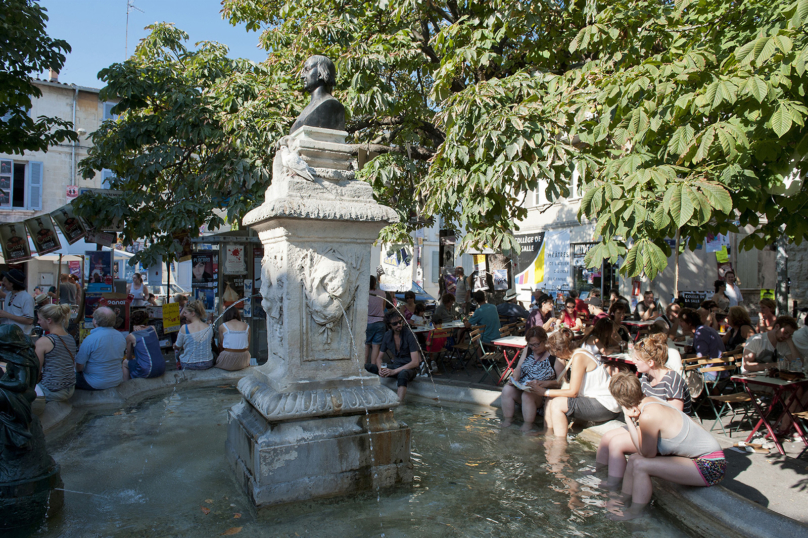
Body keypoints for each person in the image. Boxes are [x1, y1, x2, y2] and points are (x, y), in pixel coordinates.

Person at [606, 373, 725, 521]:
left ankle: (635, 512)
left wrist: (628, 419)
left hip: (711, 465)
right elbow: (643, 451)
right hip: (702, 459)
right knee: (634, 459)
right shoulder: (651, 401)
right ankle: (623, 500)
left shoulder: (648, 416)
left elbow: (646, 454)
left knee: (640, 464)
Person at [596, 334, 693, 489]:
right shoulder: (646, 378)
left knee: (617, 444)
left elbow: (675, 417)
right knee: (607, 438)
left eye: (637, 359)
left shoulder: (672, 380)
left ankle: (613, 485)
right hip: (647, 425)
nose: (633, 361)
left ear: (651, 362)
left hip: (664, 436)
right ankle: (599, 474)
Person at [536, 329, 622, 437]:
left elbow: (573, 392)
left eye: (555, 353)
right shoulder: (578, 353)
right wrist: (546, 387)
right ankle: (547, 433)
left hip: (606, 405)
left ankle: (559, 445)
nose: (556, 357)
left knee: (557, 404)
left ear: (561, 350)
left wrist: (545, 392)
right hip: (595, 401)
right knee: (551, 399)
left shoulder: (579, 357)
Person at [501, 327, 566, 432]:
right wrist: (515, 376)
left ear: (545, 340)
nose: (534, 348)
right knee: (507, 389)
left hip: (541, 394)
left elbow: (562, 382)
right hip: (524, 387)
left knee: (528, 395)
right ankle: (508, 420)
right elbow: (518, 367)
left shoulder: (554, 356)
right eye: (531, 345)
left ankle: (528, 425)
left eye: (537, 344)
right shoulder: (528, 350)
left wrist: (543, 383)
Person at [364, 311, 421, 401]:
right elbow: (379, 358)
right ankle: (367, 397)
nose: (399, 325)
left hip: (409, 368)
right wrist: (380, 369)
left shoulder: (409, 335)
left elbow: (415, 362)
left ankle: (399, 404)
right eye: (395, 323)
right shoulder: (387, 335)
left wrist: (394, 371)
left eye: (400, 322)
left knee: (402, 374)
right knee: (367, 367)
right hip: (396, 366)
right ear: (390, 325)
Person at [74, 307, 126, 391]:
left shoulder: (91, 339)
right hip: (117, 380)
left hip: (94, 383)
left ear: (95, 321)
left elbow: (79, 367)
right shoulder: (121, 336)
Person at [33, 304, 76, 402]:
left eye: (40, 319)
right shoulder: (70, 338)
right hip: (70, 389)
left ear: (49, 320)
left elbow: (36, 370)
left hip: (52, 391)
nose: (38, 322)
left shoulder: (43, 342)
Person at [679, 308, 725, 380]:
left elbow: (701, 357)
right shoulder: (705, 329)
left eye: (682, 321)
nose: (680, 324)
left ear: (690, 322)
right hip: (720, 370)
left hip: (710, 372)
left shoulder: (701, 333)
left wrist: (683, 356)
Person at [123, 309, 166, 379]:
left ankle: (127, 386)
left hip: (147, 370)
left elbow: (129, 357)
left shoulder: (131, 336)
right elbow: (147, 336)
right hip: (162, 367)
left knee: (125, 363)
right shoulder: (153, 328)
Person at [173, 300, 214, 370]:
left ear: (193, 313)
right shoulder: (209, 327)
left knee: (176, 351)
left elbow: (178, 346)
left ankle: (178, 368)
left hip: (188, 364)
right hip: (207, 363)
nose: (184, 315)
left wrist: (174, 345)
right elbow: (210, 342)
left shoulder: (184, 328)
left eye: (185, 313)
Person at [0, 269, 34, 336]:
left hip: (20, 336)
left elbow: (29, 320)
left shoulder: (26, 298)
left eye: (5, 282)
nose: (3, 284)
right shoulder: (9, 295)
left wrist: (7, 315)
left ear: (11, 284)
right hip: (7, 334)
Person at [366, 275, 387, 366]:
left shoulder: (364, 294)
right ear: (375, 283)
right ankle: (373, 365)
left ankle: (364, 365)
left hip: (367, 321)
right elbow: (383, 307)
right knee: (376, 346)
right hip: (379, 322)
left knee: (366, 344)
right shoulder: (382, 293)